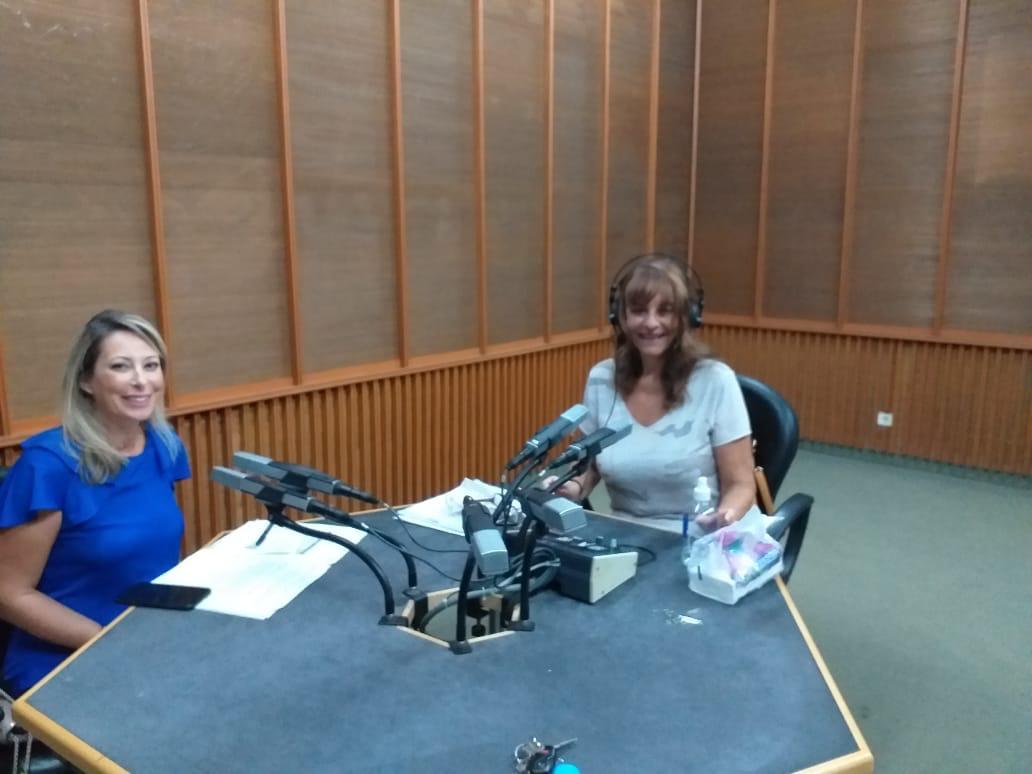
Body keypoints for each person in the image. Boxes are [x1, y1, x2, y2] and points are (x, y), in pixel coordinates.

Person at [0, 310, 190, 696]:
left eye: (151, 365)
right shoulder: (46, 466)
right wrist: (106, 642)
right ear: (86, 381)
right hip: (65, 659)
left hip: (150, 644)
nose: (141, 380)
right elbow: (9, 593)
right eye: (121, 366)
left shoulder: (163, 445)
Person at [555, 254, 755, 533]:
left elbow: (741, 484)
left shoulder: (716, 381)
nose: (651, 322)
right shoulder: (602, 379)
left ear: (686, 317)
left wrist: (726, 516)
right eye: (639, 311)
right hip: (624, 535)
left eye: (665, 311)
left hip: (697, 534)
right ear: (621, 316)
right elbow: (591, 466)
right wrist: (574, 486)